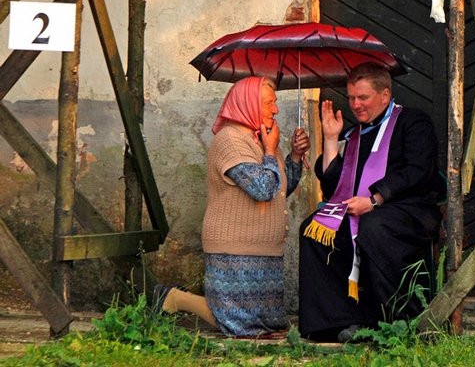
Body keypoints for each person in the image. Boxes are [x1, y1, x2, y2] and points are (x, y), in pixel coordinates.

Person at [153, 76, 310, 337]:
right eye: (268, 103)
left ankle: (177, 298)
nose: (276, 110)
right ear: (247, 104)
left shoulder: (262, 139)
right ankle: (176, 298)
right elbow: (262, 188)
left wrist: (293, 155)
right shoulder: (230, 141)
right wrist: (271, 152)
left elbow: (280, 189)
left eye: (275, 102)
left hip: (265, 249)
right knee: (237, 324)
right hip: (234, 247)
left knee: (268, 325)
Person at [298, 62, 445, 343]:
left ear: (385, 95)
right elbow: (332, 187)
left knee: (374, 227)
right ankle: (338, 322)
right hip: (359, 210)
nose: (355, 104)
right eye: (351, 97)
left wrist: (375, 200)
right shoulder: (353, 134)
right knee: (313, 230)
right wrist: (330, 139)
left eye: (362, 97)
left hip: (408, 210)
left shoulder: (413, 122)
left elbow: (418, 170)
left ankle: (395, 319)